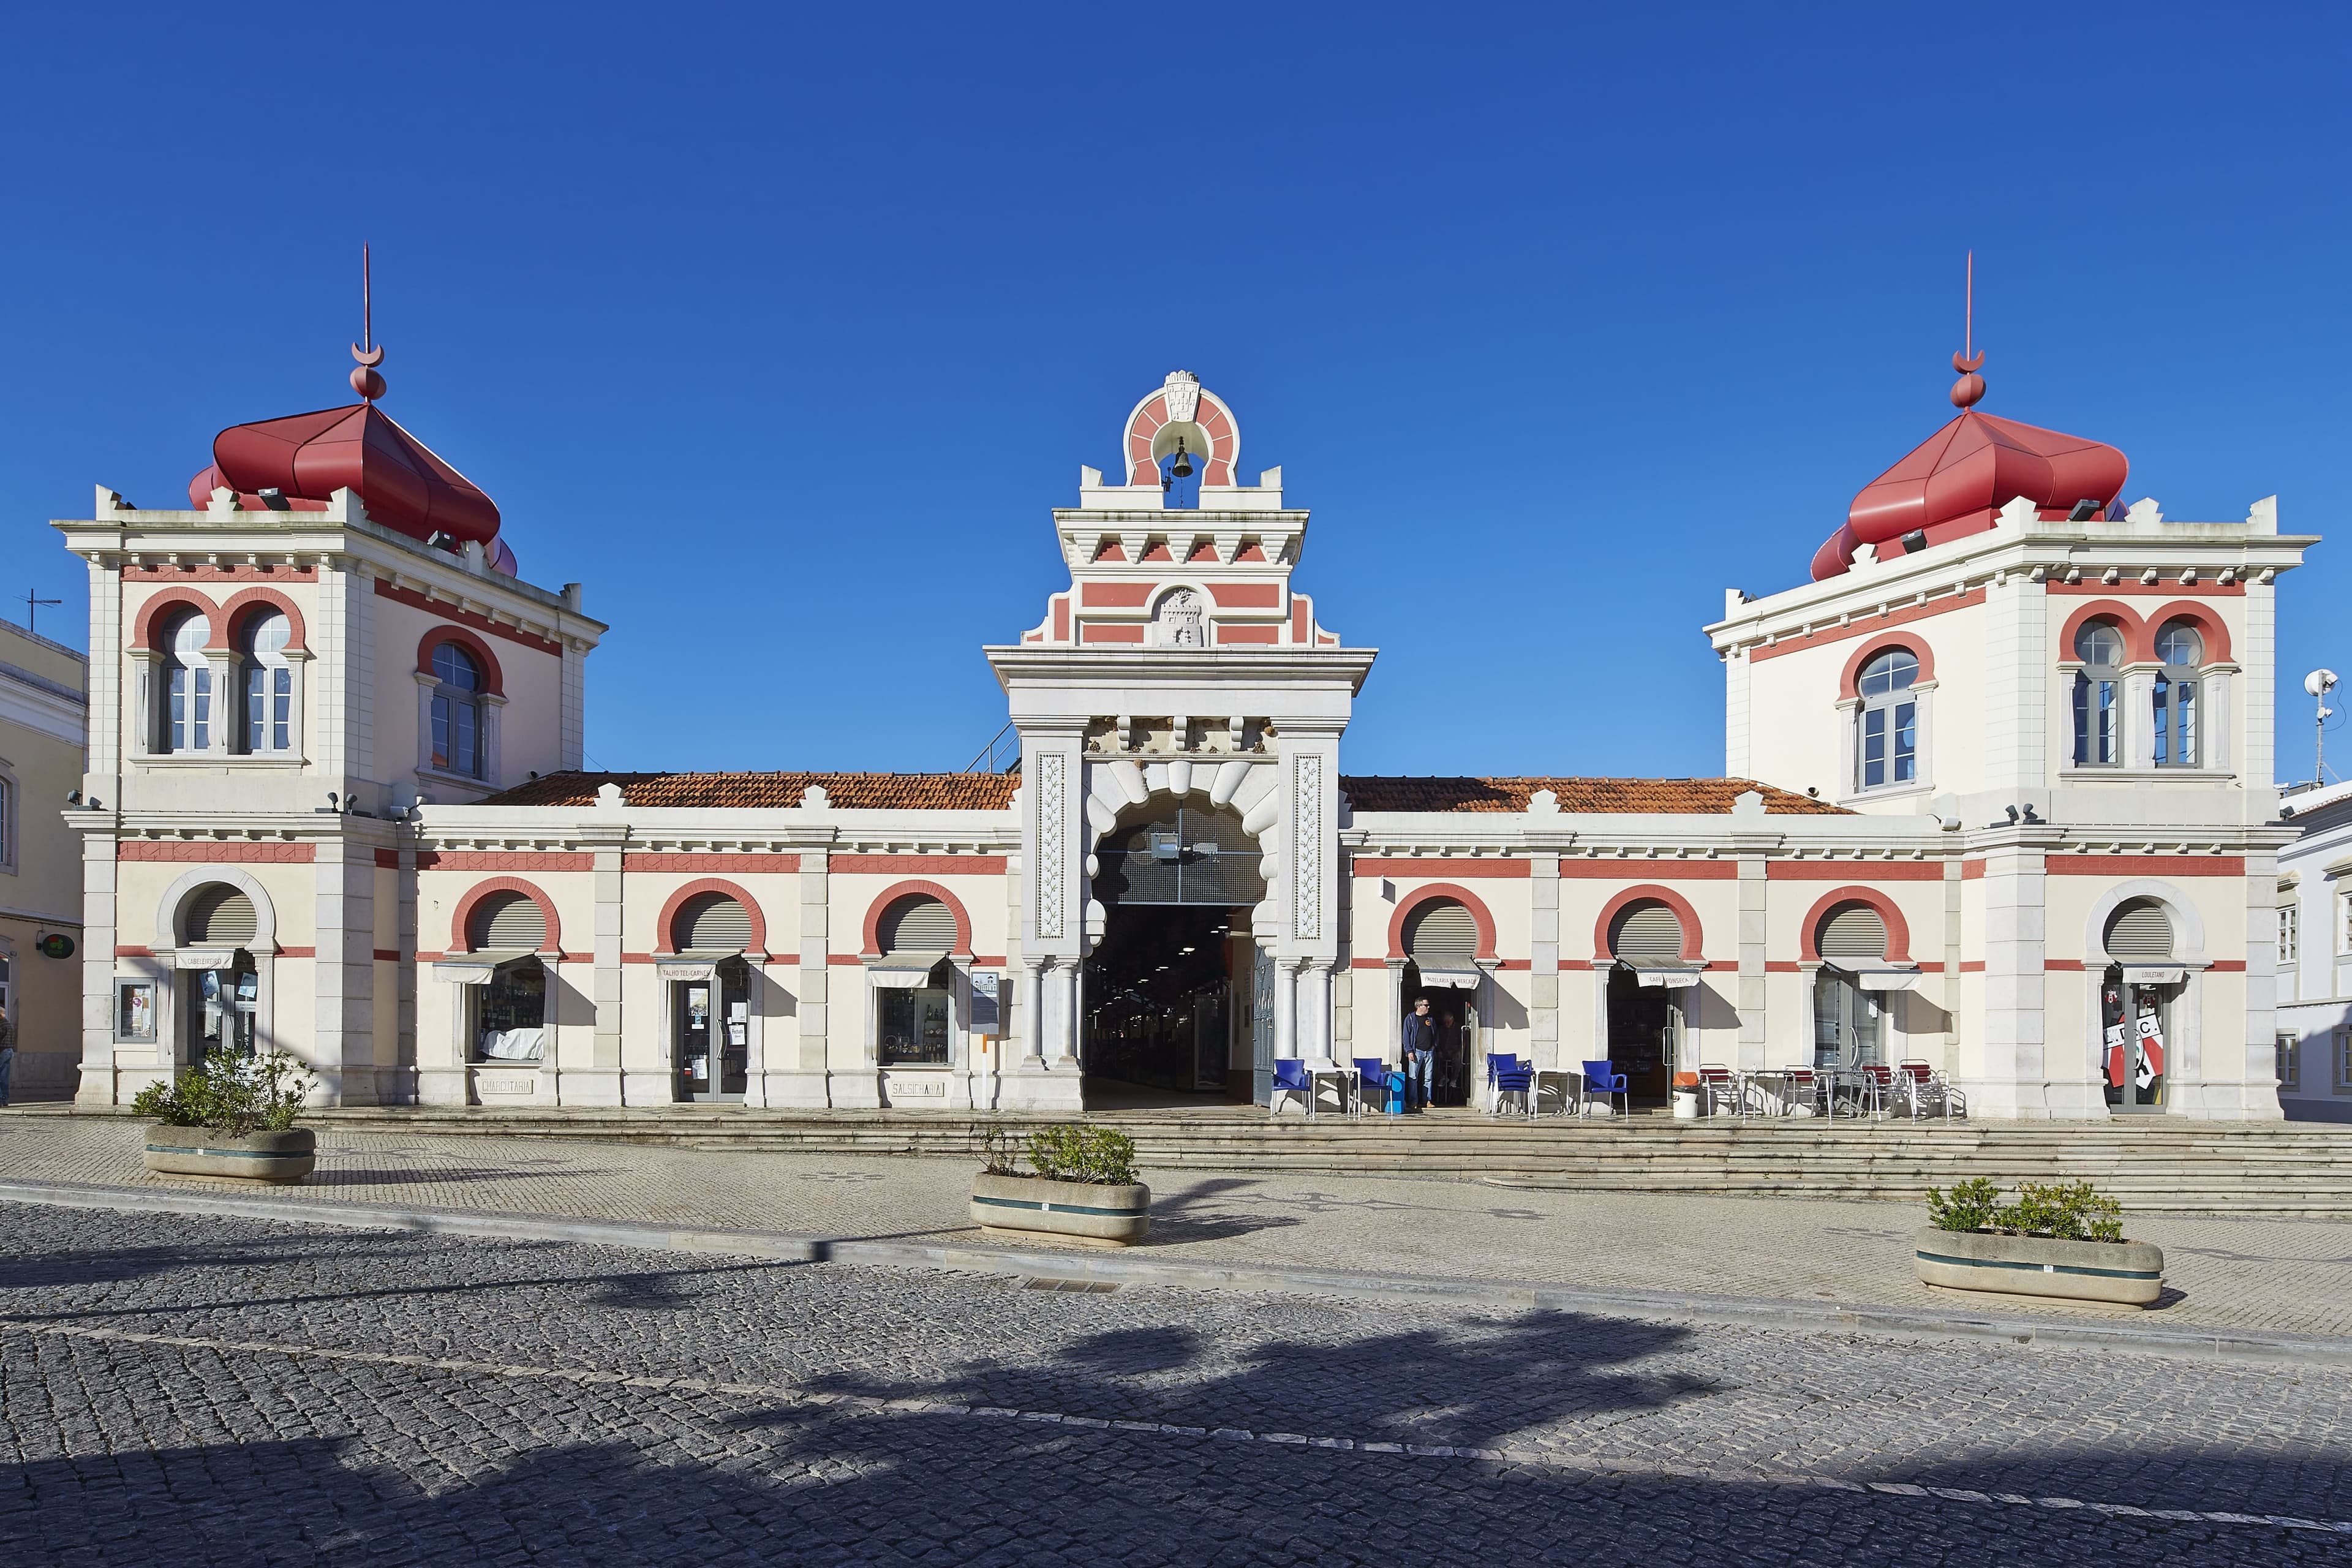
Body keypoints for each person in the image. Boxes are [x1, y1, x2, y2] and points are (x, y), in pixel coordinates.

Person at [1401, 995, 1438, 1110]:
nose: (1428, 1007)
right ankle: (1413, 1102)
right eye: (1426, 1005)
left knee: (1428, 1077)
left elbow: (1436, 1033)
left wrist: (1434, 1045)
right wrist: (1409, 1051)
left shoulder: (1430, 1019)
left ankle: (1427, 1100)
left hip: (1429, 1051)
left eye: (1428, 1005)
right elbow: (1406, 1036)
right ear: (1418, 1006)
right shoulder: (1411, 1019)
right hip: (1416, 1051)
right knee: (1413, 1077)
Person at [0, 1006, 15, 1108]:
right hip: (9, 1050)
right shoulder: (8, 1024)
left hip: (2, 1051)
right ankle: (5, 1099)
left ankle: (0, 1100)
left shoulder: (1, 1024)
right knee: (4, 1077)